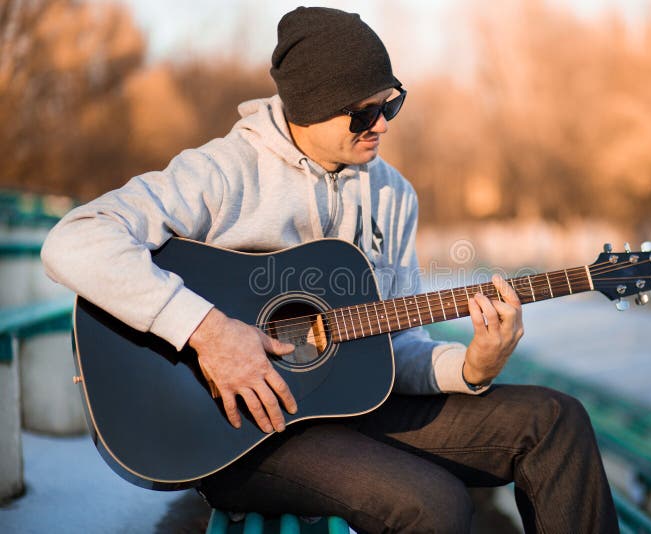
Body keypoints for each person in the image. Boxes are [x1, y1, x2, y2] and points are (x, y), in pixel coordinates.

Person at [41, 6, 618, 533]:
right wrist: (208, 331)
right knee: (433, 504)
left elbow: (398, 347)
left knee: (555, 420)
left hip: (354, 406)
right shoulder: (223, 173)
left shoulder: (393, 195)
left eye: (391, 103)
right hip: (239, 432)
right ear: (310, 107)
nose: (383, 124)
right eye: (364, 111)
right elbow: (74, 241)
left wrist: (470, 366)